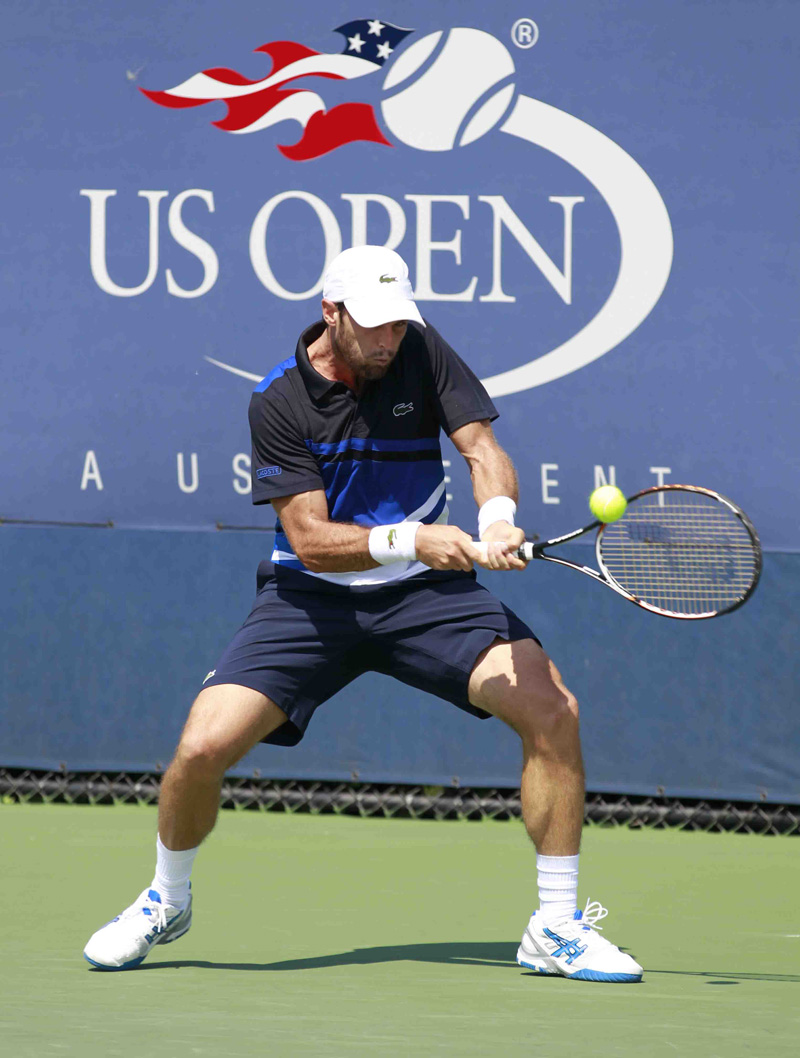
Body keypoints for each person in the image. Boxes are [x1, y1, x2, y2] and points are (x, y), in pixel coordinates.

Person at [83, 245, 642, 982]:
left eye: (398, 323)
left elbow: (481, 449)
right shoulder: (278, 399)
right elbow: (311, 542)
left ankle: (556, 925)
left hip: (425, 598)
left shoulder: (420, 350)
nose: (388, 339)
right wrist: (414, 537)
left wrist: (497, 518)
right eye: (373, 324)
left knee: (552, 709)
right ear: (331, 313)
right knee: (200, 748)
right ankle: (167, 898)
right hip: (310, 601)